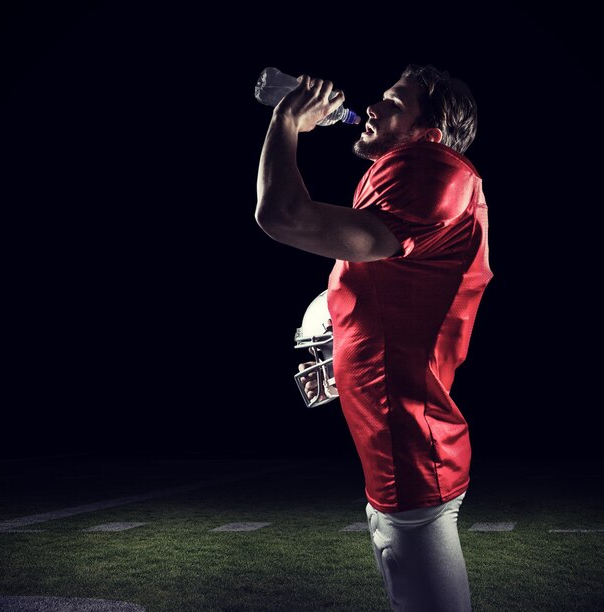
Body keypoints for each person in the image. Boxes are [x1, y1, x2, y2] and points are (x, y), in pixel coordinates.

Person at [255, 63, 493, 612]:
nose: (375, 107)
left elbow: (283, 214)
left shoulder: (436, 169)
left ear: (426, 134)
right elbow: (385, 301)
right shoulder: (411, 180)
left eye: (393, 101)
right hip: (396, 452)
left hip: (414, 451)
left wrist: (287, 119)